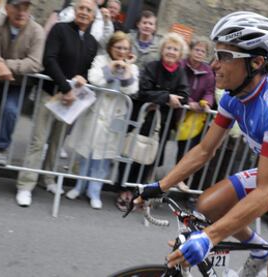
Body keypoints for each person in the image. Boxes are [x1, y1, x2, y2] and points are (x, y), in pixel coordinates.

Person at [134, 11, 268, 277]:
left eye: (224, 57)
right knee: (208, 205)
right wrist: (159, 186)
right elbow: (204, 150)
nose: (214, 64)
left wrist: (209, 237)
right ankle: (259, 249)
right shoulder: (233, 98)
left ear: (256, 62)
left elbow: (267, 193)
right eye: (215, 54)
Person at [15, 0, 98, 207]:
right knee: (38, 140)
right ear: (75, 10)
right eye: (81, 8)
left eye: (89, 10)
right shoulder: (60, 29)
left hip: (71, 100)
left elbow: (87, 71)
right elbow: (49, 59)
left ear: (93, 16)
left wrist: (82, 81)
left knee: (57, 141)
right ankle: (26, 185)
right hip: (50, 94)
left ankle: (48, 179)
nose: (84, 13)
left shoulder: (91, 42)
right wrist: (65, 87)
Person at [116, 32, 189, 211]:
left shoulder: (180, 73)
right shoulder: (151, 66)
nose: (171, 52)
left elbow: (185, 96)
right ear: (163, 49)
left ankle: (141, 194)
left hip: (163, 125)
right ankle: (125, 191)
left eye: (175, 49)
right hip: (143, 119)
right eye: (169, 48)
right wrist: (166, 97)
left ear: (180, 54)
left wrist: (165, 98)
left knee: (150, 160)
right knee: (133, 156)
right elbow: (143, 91)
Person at [65, 31, 139, 209]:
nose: (121, 51)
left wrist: (126, 68)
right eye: (118, 47)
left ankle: (94, 191)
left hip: (115, 116)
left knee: (104, 156)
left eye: (125, 48)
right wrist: (112, 68)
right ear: (111, 48)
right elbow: (94, 79)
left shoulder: (133, 67)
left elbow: (131, 89)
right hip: (95, 112)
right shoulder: (100, 60)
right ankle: (79, 186)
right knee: (87, 153)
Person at [0, 0, 45, 165]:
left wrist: (4, 65)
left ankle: (1, 148)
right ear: (7, 8)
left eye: (26, 7)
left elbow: (35, 62)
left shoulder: (37, 31)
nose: (21, 12)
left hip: (20, 83)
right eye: (17, 7)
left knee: (10, 110)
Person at [176, 37, 215, 166]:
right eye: (197, 50)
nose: (199, 53)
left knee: (186, 147)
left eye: (203, 51)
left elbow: (210, 91)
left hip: (193, 116)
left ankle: (178, 176)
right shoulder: (180, 65)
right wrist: (189, 102)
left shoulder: (208, 71)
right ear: (190, 50)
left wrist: (206, 102)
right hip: (176, 109)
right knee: (163, 142)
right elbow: (177, 86)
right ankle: (151, 172)